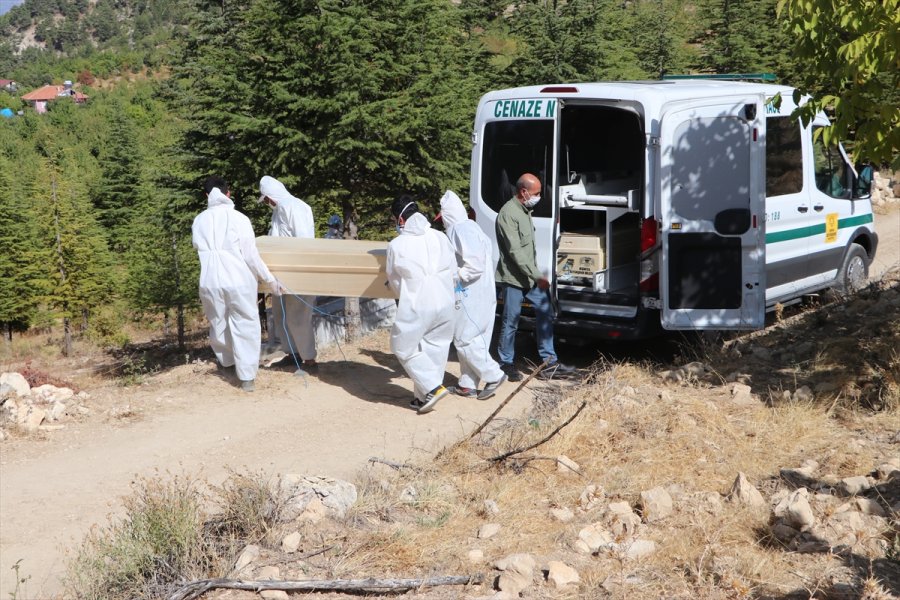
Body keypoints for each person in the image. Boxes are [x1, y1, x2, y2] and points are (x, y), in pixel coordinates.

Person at [192, 175, 282, 392]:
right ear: (228, 193)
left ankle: (228, 364)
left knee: (219, 323)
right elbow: (251, 256)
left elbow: (198, 247)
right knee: (245, 324)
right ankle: (247, 377)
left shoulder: (199, 220)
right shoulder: (239, 219)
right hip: (238, 279)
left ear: (206, 196)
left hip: (209, 280)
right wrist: (270, 280)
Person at [495, 173, 575, 381]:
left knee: (545, 312)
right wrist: (537, 276)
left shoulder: (525, 211)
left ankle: (549, 363)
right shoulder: (508, 214)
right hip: (514, 278)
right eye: (537, 193)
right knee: (510, 320)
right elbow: (515, 252)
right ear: (524, 192)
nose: (539, 197)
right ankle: (506, 363)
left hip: (530, 278)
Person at [386, 195, 457, 414]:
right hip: (445, 302)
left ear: (400, 219)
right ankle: (422, 397)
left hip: (418, 304)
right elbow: (454, 270)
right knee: (434, 348)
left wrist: (403, 294)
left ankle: (433, 388)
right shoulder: (440, 236)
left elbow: (395, 281)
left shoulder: (397, 244)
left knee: (402, 347)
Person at [438, 190, 507, 400]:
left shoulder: (460, 230)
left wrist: (453, 276)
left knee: (464, 339)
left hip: (470, 292)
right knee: (476, 337)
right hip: (482, 291)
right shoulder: (472, 227)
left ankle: (494, 375)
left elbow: (473, 266)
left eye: (442, 219)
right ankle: (467, 384)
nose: (442, 223)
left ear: (448, 214)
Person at [258, 175, 318, 372]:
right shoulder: (280, 210)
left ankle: (309, 359)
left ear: (271, 196)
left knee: (298, 316)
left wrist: (296, 268)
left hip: (297, 271)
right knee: (281, 313)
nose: (266, 203)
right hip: (281, 273)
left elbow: (303, 241)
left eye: (266, 199)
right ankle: (292, 353)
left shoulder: (294, 207)